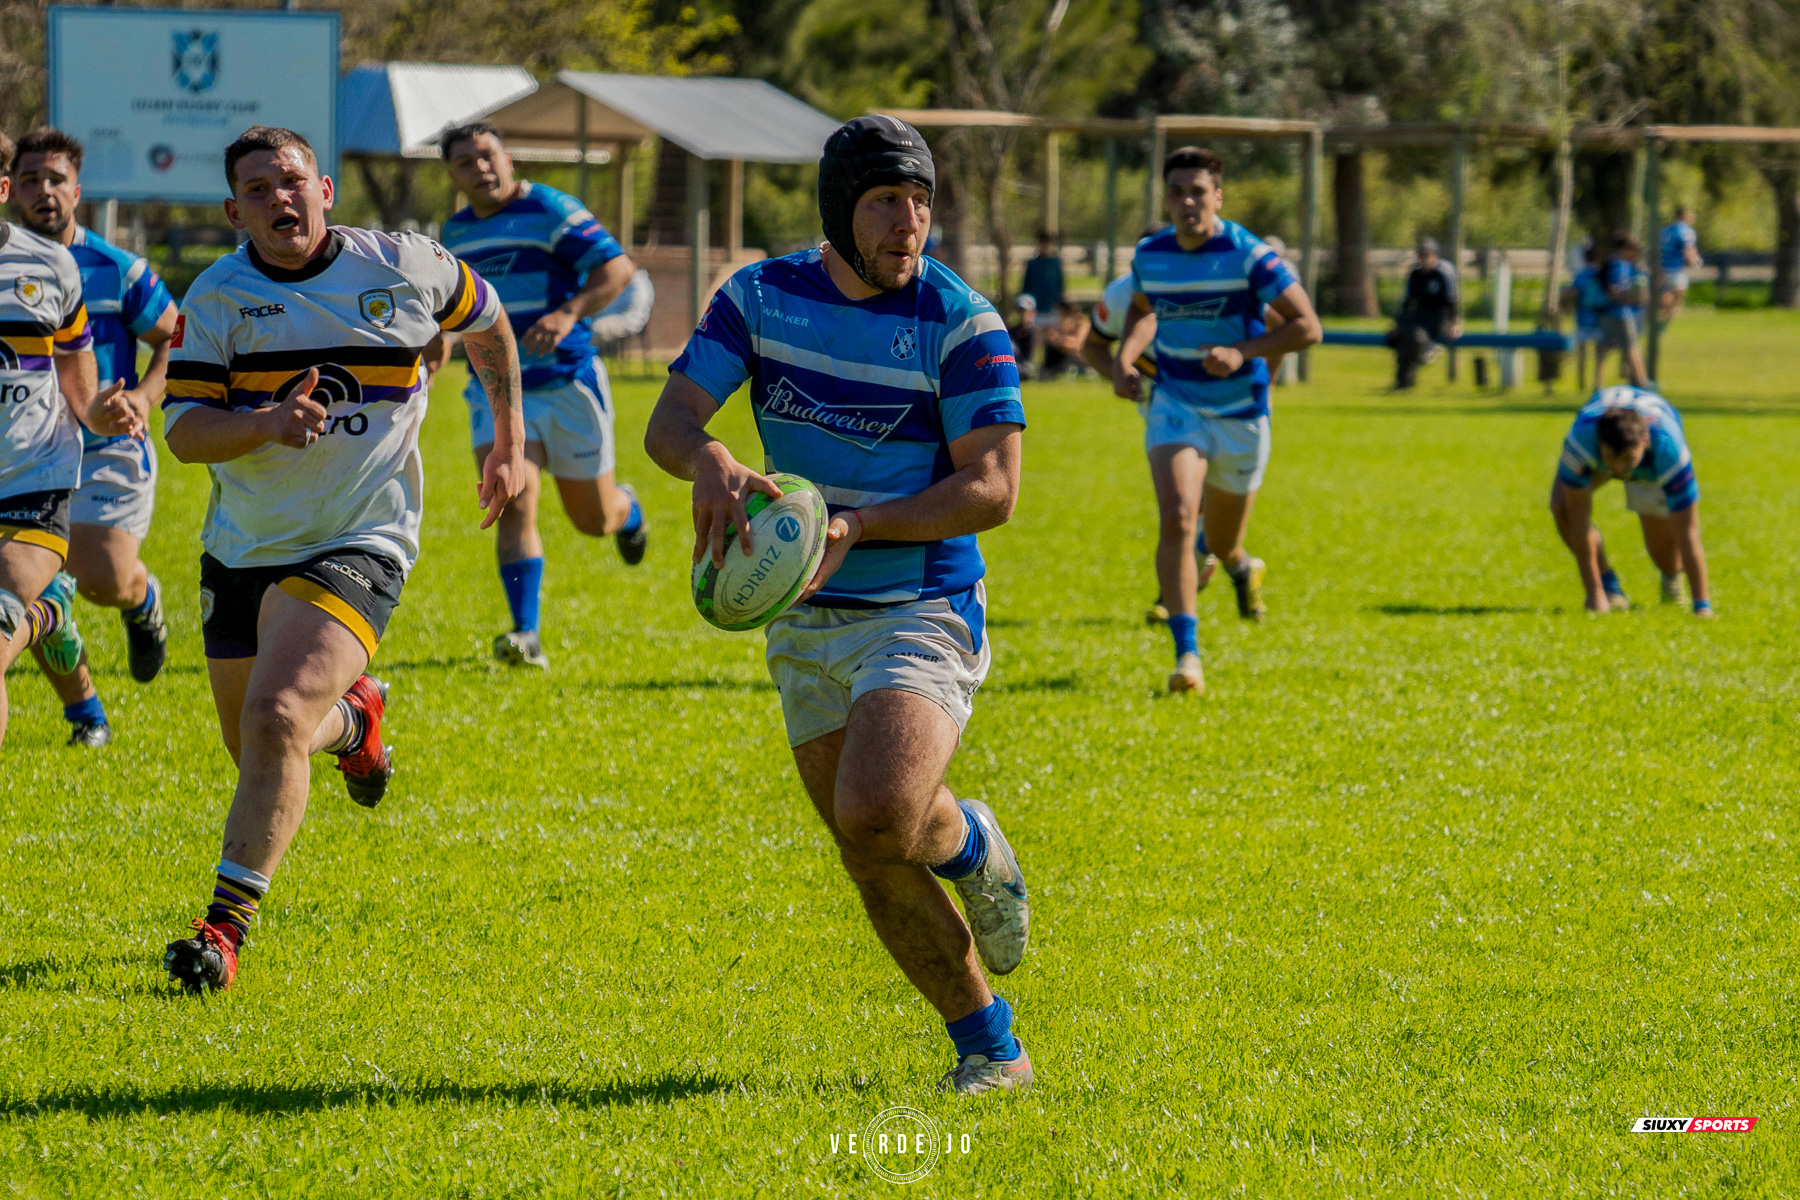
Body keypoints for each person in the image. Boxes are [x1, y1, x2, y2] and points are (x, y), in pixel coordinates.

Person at [645, 117, 1034, 1095]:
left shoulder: (961, 321)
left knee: (878, 810)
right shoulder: (762, 296)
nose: (909, 224)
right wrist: (713, 460)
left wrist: (857, 526)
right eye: (884, 203)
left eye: (920, 202)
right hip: (803, 613)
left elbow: (993, 488)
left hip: (921, 601)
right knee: (867, 853)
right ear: (837, 210)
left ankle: (970, 844)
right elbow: (671, 420)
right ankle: (991, 1047)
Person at [160, 126, 524, 993]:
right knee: (256, 742)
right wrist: (264, 424)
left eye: (291, 181)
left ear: (324, 187)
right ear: (233, 210)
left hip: (362, 535)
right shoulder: (217, 297)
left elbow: (490, 322)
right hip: (243, 545)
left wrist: (508, 437)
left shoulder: (406, 266)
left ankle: (223, 931)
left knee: (279, 716)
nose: (279, 198)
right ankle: (358, 725)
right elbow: (184, 433)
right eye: (257, 189)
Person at [432, 122, 647, 671]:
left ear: (507, 157)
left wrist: (568, 312)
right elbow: (454, 310)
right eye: (464, 162)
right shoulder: (453, 237)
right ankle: (526, 635)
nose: (479, 168)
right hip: (498, 392)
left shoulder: (551, 209)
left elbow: (618, 269)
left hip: (568, 383)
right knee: (513, 502)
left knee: (592, 520)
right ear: (452, 175)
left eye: (487, 155)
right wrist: (439, 344)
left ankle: (628, 512)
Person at [1111, 146, 1322, 693]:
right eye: (1177, 191)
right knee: (1179, 517)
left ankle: (1239, 567)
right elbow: (1141, 308)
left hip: (1242, 415)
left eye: (1198, 192)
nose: (1187, 202)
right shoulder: (1150, 255)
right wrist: (1125, 357)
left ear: (1218, 197)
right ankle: (1188, 657)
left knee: (1222, 540)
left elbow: (1308, 327)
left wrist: (1244, 351)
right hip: (1177, 403)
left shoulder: (1249, 255)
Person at [9, 127, 178, 747]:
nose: (43, 191)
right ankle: (86, 714)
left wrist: (141, 395)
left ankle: (141, 599)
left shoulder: (115, 268)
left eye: (55, 179)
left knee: (101, 578)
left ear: (77, 191)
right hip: (25, 450)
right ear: (12, 191)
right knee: (27, 584)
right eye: (31, 179)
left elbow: (171, 336)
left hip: (107, 444)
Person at [1550, 385, 1710, 616]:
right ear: (1599, 444)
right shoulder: (1582, 443)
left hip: (1650, 467)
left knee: (1664, 555)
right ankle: (1609, 589)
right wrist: (1594, 595)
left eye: (1626, 459)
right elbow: (1579, 520)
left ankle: (1672, 581)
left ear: (1644, 441)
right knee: (1562, 508)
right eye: (1611, 458)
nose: (1617, 468)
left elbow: (1688, 531)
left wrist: (1702, 607)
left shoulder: (1669, 451)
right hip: (1599, 457)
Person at [1387, 237, 1460, 390]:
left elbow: (1452, 301)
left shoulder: (1443, 273)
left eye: (1426, 255)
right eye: (1420, 255)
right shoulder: (1415, 274)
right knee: (1401, 335)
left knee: (1412, 336)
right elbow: (1408, 302)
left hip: (1440, 317)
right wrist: (1397, 324)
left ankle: (1426, 351)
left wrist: (1454, 323)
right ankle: (1405, 380)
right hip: (1421, 316)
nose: (1422, 258)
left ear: (1434, 255)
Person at [1597, 233, 1648, 387]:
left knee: (1604, 348)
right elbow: (1614, 290)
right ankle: (1641, 383)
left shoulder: (1610, 263)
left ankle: (1597, 384)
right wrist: (1632, 298)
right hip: (1621, 314)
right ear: (1625, 249)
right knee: (1632, 347)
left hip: (1608, 313)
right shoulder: (1620, 266)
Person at [1561, 244, 1607, 393]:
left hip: (1583, 319)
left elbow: (1573, 293)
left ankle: (1581, 381)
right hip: (1600, 319)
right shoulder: (1602, 274)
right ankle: (1598, 382)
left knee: (1582, 352)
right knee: (1599, 354)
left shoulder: (1582, 275)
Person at [1658, 206, 1701, 326]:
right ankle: (1662, 326)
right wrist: (1695, 262)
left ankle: (1661, 319)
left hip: (1661, 270)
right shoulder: (1686, 230)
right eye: (1691, 215)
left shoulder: (1665, 230)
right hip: (1675, 270)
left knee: (1667, 300)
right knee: (1676, 302)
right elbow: (1688, 250)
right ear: (1685, 216)